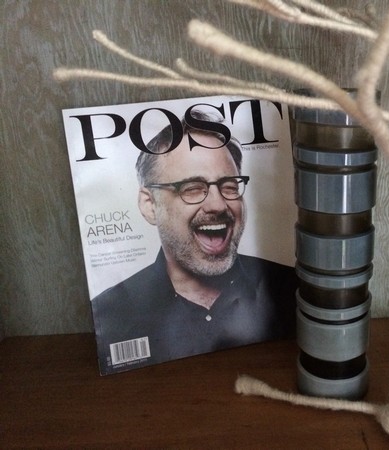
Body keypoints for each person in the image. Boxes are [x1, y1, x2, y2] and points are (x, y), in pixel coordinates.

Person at [92, 112, 297, 374]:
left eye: (229, 187)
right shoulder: (112, 315)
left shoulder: (291, 290)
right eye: (192, 188)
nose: (218, 205)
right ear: (150, 205)